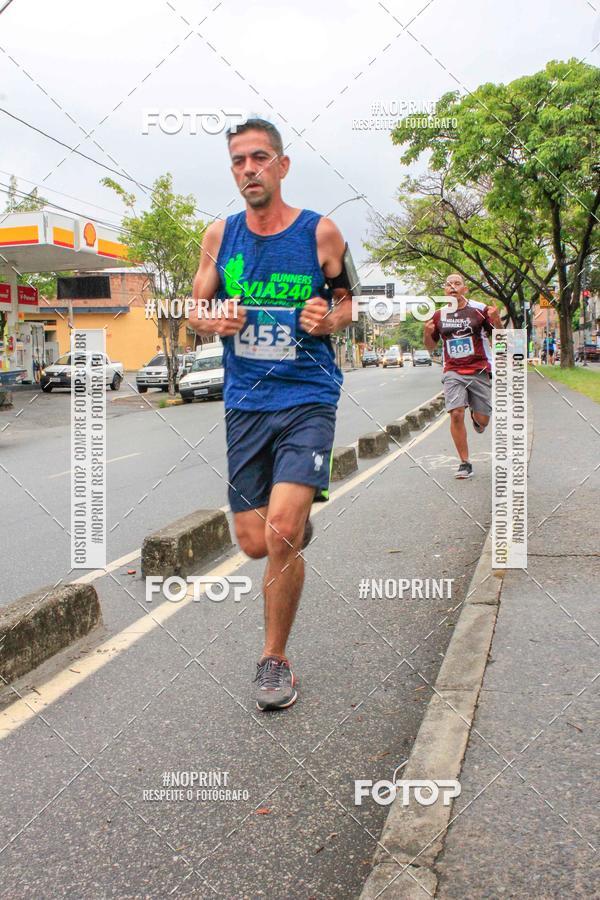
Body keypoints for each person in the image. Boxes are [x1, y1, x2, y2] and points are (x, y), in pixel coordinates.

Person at [189, 118, 355, 711]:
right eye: (238, 161)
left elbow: (347, 302)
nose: (249, 169)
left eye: (259, 158)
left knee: (281, 532)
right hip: (246, 404)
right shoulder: (221, 236)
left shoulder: (320, 233)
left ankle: (274, 659)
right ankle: (294, 523)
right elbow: (194, 310)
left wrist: (328, 319)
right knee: (255, 542)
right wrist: (214, 322)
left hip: (308, 395)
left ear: (282, 167)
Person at [424, 273, 502, 479]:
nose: (453, 287)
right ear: (444, 291)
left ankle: (477, 419)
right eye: (449, 285)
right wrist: (426, 332)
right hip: (453, 371)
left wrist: (497, 320)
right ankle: (465, 463)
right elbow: (430, 347)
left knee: (483, 420)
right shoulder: (439, 316)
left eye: (457, 284)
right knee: (455, 413)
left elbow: (499, 338)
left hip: (479, 370)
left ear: (464, 289)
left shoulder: (480, 310)